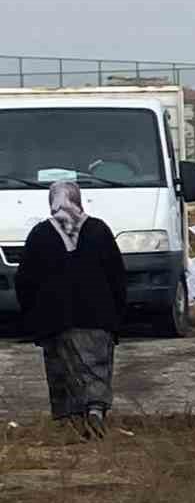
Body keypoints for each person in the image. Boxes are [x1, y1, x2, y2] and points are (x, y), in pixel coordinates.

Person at [15, 181, 126, 439]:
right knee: (95, 368)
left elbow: (25, 280)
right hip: (98, 316)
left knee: (62, 372)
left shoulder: (40, 234)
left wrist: (31, 316)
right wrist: (117, 315)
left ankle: (70, 421)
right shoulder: (99, 230)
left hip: (55, 319)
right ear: (78, 199)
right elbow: (117, 276)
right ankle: (95, 411)